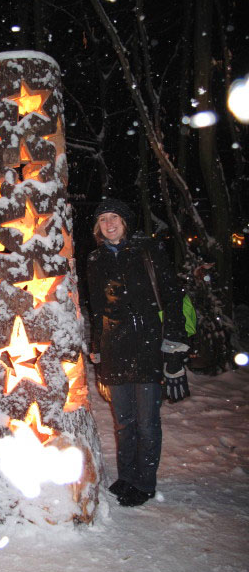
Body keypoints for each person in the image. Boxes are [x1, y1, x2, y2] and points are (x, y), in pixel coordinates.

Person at [86, 198, 189, 507]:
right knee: (123, 421)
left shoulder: (148, 251)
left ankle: (144, 482)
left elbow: (171, 297)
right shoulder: (95, 259)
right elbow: (96, 308)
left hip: (146, 342)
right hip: (115, 344)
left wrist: (172, 346)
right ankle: (127, 476)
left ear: (125, 221)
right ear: (97, 227)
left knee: (146, 421)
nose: (109, 223)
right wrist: (97, 348)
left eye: (114, 217)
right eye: (103, 219)